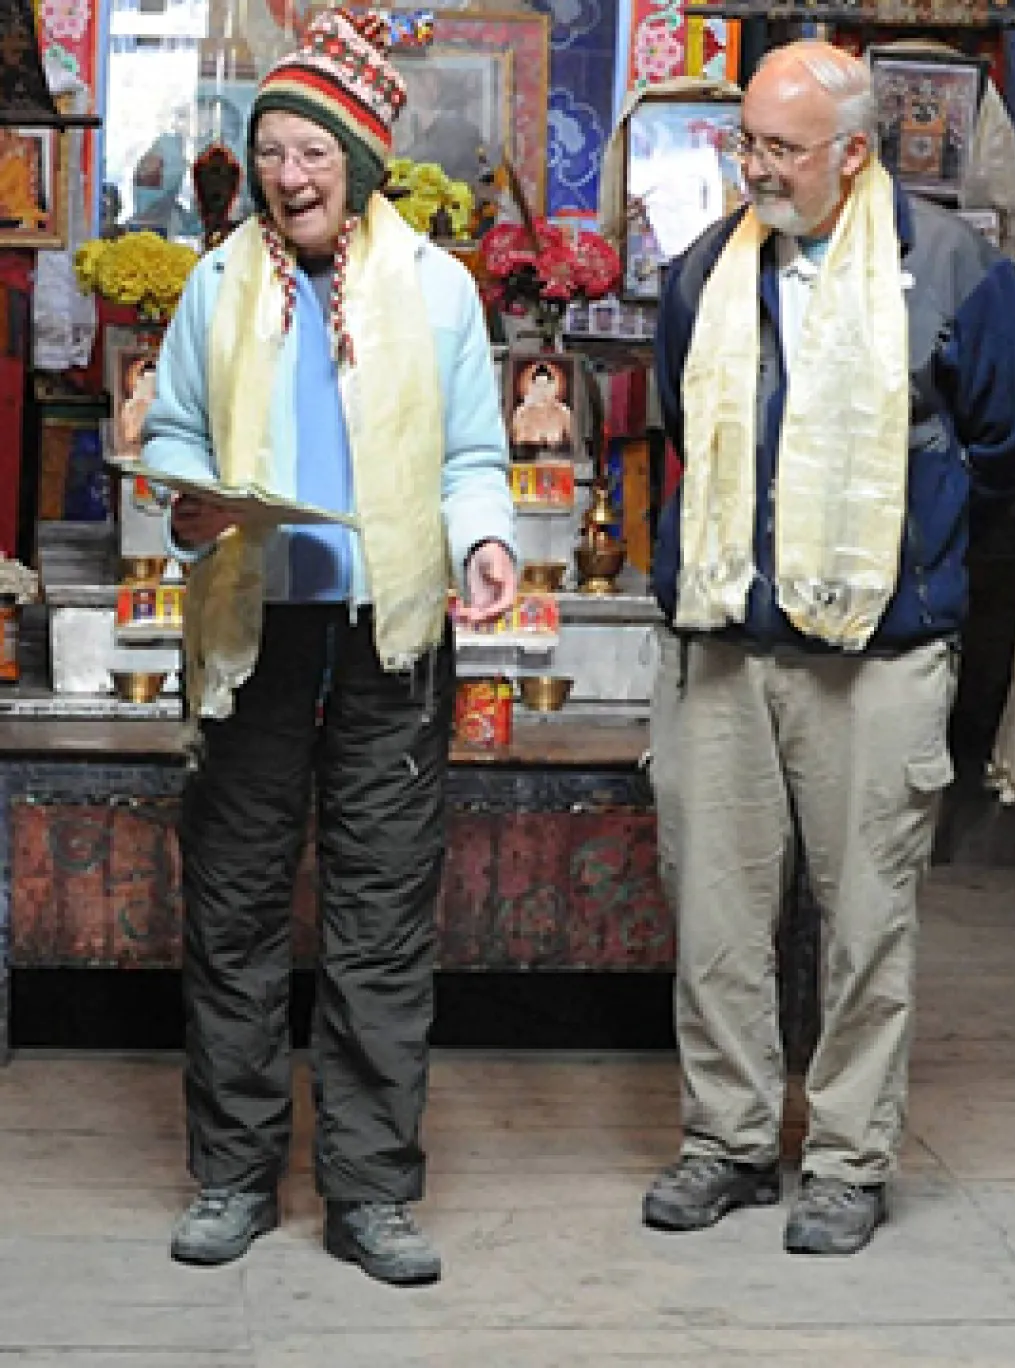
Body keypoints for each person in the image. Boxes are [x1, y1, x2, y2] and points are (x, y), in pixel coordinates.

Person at [643, 40, 1015, 1256]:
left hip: (878, 657)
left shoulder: (954, 271)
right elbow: (683, 423)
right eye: (746, 143)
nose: (754, 168)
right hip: (724, 643)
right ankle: (725, 1141)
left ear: (857, 152)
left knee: (867, 917)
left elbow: (1009, 447)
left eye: (781, 148)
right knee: (714, 911)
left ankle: (847, 1159)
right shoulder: (706, 273)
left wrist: (907, 562)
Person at [141, 8, 516, 1286]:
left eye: (314, 152)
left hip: (390, 632)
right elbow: (178, 437)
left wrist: (485, 543)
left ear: (359, 161)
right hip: (253, 628)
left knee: (379, 912)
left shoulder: (438, 289)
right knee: (237, 904)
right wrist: (187, 499)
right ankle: (236, 1175)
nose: (290, 176)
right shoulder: (215, 284)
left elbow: (474, 453)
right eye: (274, 151)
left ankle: (369, 1192)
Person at [509, 360, 576, 454]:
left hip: (558, 460)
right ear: (531, 388)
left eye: (546, 386)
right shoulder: (521, 413)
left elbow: (574, 445)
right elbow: (515, 444)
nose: (542, 391)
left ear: (554, 388)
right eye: (538, 386)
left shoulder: (564, 413)